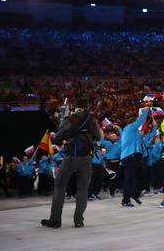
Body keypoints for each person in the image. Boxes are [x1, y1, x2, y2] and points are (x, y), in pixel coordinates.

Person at [41, 96, 102, 229]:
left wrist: (66, 136)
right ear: (86, 106)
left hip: (70, 157)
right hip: (86, 158)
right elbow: (99, 136)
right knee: (82, 190)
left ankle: (55, 220)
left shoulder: (69, 118)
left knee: (60, 187)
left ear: (75, 107)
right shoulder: (91, 119)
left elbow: (57, 138)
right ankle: (78, 220)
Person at [120, 108, 151, 207]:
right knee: (129, 179)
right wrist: (146, 111)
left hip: (136, 156)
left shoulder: (135, 133)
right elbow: (140, 122)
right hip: (129, 156)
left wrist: (153, 127)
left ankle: (134, 194)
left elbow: (146, 134)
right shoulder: (129, 128)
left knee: (142, 177)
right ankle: (126, 200)